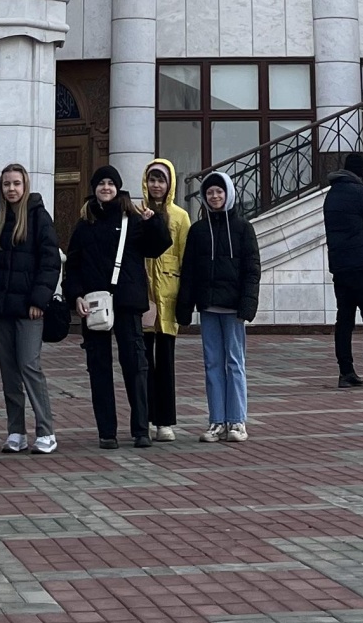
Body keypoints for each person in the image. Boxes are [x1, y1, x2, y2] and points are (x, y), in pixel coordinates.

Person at [61, 165, 169, 450]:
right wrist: (76, 297)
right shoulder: (85, 223)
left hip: (127, 303)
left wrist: (153, 220)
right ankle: (106, 431)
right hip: (94, 305)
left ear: (118, 188)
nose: (106, 188)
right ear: (94, 188)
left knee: (135, 366)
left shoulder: (133, 219)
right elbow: (72, 266)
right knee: (99, 368)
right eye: (101, 184)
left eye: (111, 183)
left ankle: (140, 429)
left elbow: (158, 247)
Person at [0, 163, 60, 453]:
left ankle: (46, 431)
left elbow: (50, 262)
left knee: (29, 366)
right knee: (9, 371)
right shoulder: (0, 221)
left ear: (25, 186)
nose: (11, 189)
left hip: (29, 310)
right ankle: (16, 432)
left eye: (16, 183)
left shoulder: (39, 218)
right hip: (2, 310)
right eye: (6, 184)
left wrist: (39, 300)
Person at [177, 170, 261, 441]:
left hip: (234, 308)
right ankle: (216, 421)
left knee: (235, 362)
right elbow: (189, 270)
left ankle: (237, 422)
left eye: (219, 192)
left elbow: (252, 269)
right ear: (204, 196)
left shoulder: (243, 228)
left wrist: (248, 304)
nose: (214, 196)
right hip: (209, 307)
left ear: (228, 194)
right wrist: (185, 306)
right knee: (212, 363)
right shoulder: (198, 231)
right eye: (210, 192)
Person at [323, 151, 363, 389]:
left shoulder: (331, 195)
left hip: (341, 267)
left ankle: (346, 372)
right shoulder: (361, 192)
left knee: (345, 320)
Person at [140, 159, 190, 441]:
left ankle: (165, 422)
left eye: (161, 180)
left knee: (166, 362)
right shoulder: (137, 213)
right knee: (144, 362)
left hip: (168, 297)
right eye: (152, 179)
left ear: (169, 184)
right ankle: (145, 418)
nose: (156, 185)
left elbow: (185, 259)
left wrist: (184, 298)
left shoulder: (180, 217)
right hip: (144, 299)